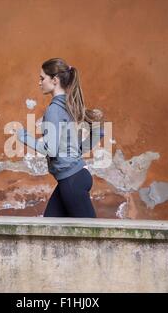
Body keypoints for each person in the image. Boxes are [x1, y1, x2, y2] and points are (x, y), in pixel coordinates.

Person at [17, 58, 104, 218]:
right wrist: (78, 150)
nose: (39, 82)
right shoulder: (70, 104)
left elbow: (50, 150)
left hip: (72, 181)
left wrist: (23, 136)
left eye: (42, 78)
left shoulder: (55, 110)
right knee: (50, 226)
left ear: (55, 80)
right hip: (74, 178)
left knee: (91, 236)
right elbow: (99, 132)